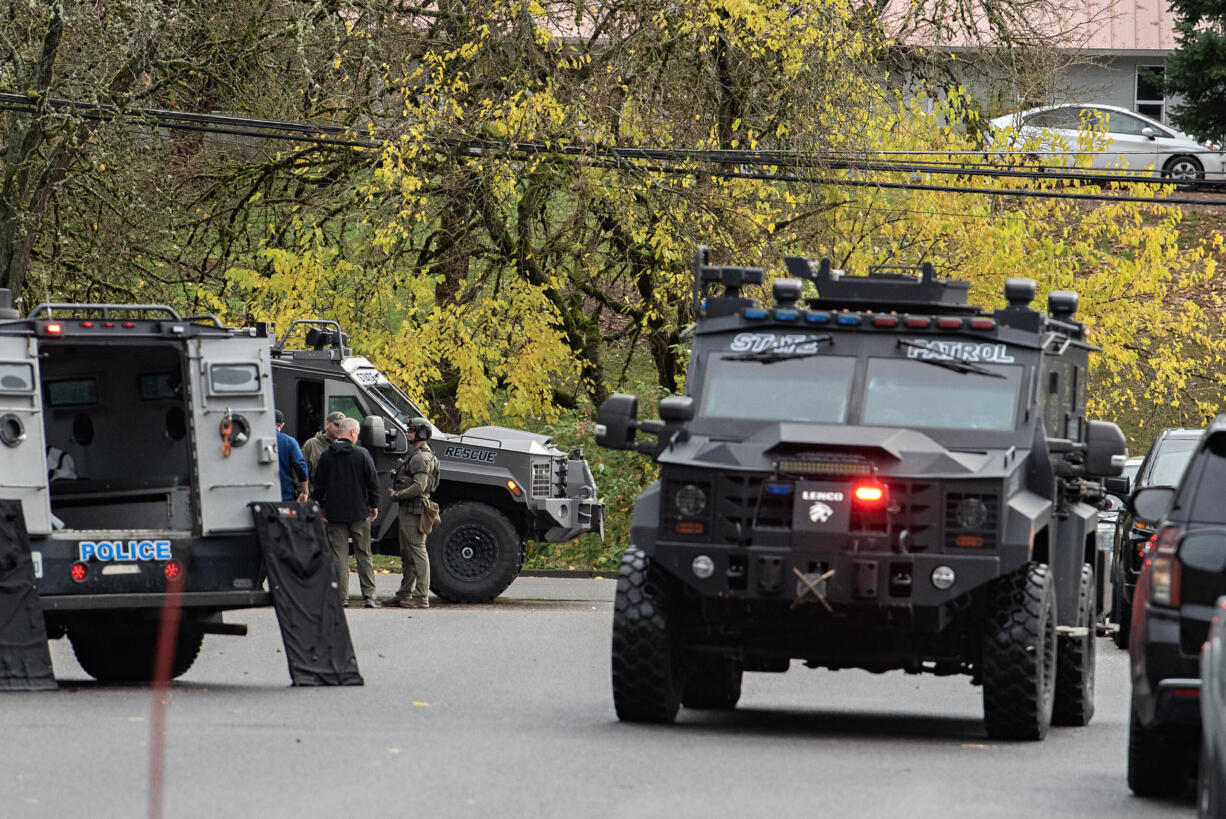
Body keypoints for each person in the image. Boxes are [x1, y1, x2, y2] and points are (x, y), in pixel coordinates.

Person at [313, 417, 381, 608]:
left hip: (334, 513)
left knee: (339, 556)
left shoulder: (326, 456)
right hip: (359, 512)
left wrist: (321, 506)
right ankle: (369, 596)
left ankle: (342, 597)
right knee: (364, 554)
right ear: (352, 433)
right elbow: (373, 483)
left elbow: (319, 486)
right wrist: (373, 504)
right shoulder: (362, 454)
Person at [388, 417, 440, 609]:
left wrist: (397, 495)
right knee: (408, 553)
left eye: (411, 430)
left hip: (414, 509)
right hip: (409, 509)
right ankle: (405, 593)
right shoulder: (417, 455)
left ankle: (420, 596)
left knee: (417, 551)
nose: (408, 433)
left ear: (422, 433)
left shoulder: (420, 458)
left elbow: (419, 486)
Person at [301, 410, 345, 498]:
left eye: (342, 426)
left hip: (337, 501)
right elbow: (301, 472)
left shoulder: (345, 447)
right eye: (337, 425)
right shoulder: (311, 444)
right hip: (316, 499)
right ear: (327, 424)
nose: (339, 429)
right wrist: (306, 494)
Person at [274, 409, 309, 502]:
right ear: (282, 425)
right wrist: (305, 491)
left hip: (256, 496)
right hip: (284, 496)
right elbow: (301, 466)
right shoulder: (289, 442)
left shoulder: (250, 442)